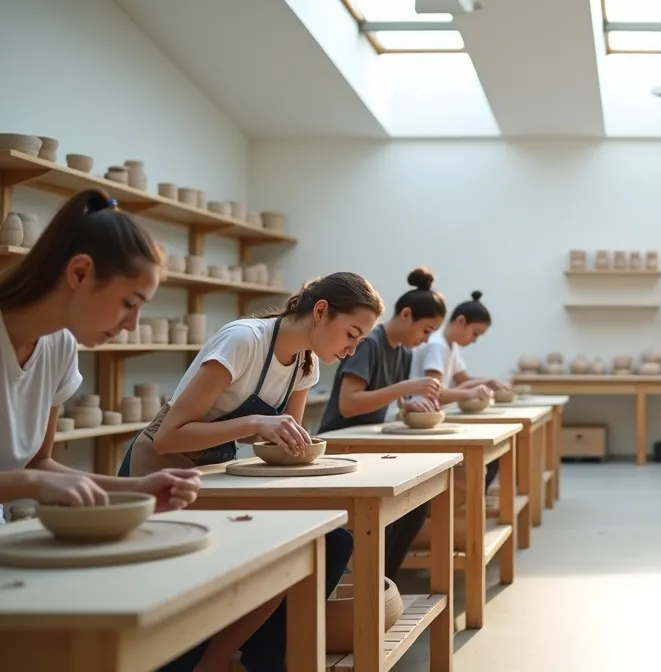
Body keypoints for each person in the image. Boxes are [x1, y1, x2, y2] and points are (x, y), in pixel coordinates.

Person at [119, 271, 384, 672]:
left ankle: (259, 659)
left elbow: (287, 446)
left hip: (215, 478)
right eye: (351, 334)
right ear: (321, 311)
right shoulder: (244, 340)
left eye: (359, 341)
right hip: (160, 477)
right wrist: (255, 424)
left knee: (330, 544)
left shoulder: (305, 366)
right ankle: (197, 662)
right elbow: (169, 438)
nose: (351, 349)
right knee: (200, 589)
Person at [0, 189, 200, 511]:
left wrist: (138, 489)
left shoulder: (60, 345)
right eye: (128, 303)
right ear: (80, 273)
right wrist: (32, 484)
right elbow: (32, 477)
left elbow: (37, 464)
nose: (132, 325)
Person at [318, 267, 446, 580]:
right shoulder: (370, 343)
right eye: (426, 330)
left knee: (416, 506)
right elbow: (349, 404)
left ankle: (380, 583)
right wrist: (406, 389)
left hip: (367, 443)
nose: (426, 339)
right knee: (394, 507)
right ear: (406, 315)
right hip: (339, 444)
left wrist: (411, 403)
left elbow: (390, 398)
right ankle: (368, 586)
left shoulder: (401, 351)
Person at [411, 290, 501, 491]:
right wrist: (471, 392)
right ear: (461, 321)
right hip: (418, 420)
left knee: (493, 454)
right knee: (487, 458)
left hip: (430, 418)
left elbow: (464, 380)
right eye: (475, 333)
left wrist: (489, 382)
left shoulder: (451, 345)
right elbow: (434, 394)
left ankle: (466, 510)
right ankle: (462, 512)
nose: (475, 339)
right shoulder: (437, 346)